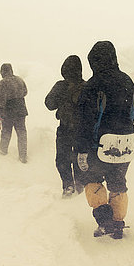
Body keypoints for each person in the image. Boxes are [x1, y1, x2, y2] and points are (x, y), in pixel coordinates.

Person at [76, 41, 134, 239]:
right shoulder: (128, 81)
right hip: (126, 143)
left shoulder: (93, 85)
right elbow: (133, 112)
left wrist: (82, 148)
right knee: (118, 182)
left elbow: (85, 119)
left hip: (100, 144)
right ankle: (118, 223)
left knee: (91, 179)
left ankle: (105, 221)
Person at [45, 55, 86, 198]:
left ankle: (68, 186)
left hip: (65, 128)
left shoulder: (61, 86)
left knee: (62, 158)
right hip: (82, 131)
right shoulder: (87, 86)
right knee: (80, 158)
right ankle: (80, 185)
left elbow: (49, 104)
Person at [0, 63, 28, 163]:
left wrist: (1, 111)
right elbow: (25, 92)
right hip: (21, 109)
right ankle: (23, 156)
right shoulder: (19, 79)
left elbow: (1, 99)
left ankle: (3, 150)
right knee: (21, 133)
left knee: (6, 131)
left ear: (3, 71)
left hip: (9, 110)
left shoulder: (3, 82)